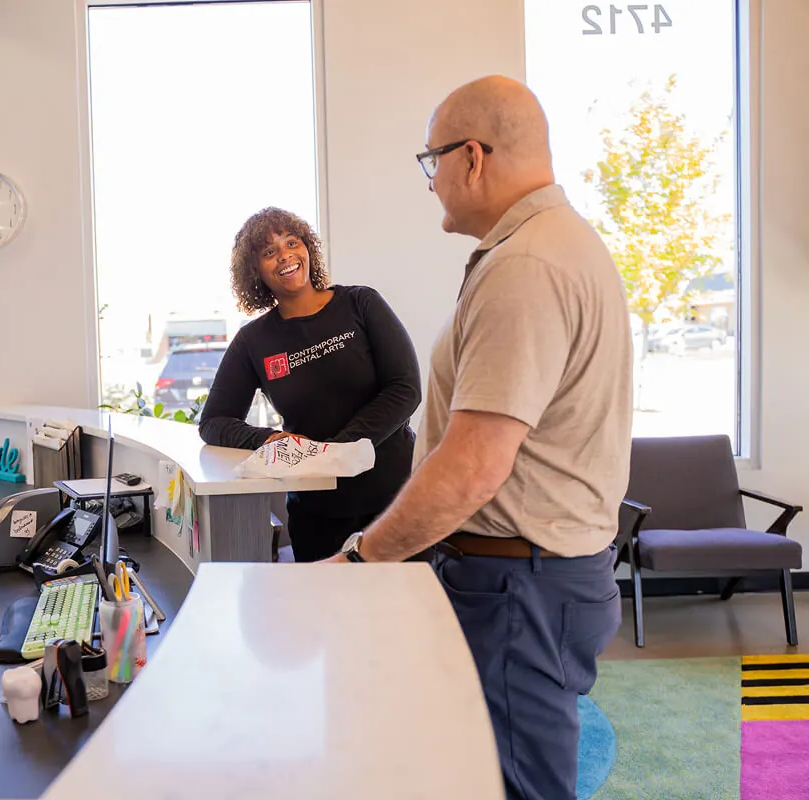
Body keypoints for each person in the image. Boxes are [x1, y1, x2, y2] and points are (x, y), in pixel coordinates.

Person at [327, 76, 630, 800]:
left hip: (518, 584)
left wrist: (362, 558)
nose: (430, 185)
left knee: (517, 784)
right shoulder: (553, 245)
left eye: (432, 163)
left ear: (472, 157)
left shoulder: (525, 266)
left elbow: (472, 469)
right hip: (530, 576)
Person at [199, 207, 421, 562]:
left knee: (407, 614)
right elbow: (213, 422)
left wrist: (333, 451)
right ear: (255, 271)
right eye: (269, 252)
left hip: (395, 498)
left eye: (291, 242)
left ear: (307, 248)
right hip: (319, 514)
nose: (285, 255)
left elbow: (405, 388)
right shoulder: (253, 341)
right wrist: (270, 439)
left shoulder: (361, 303)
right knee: (325, 616)